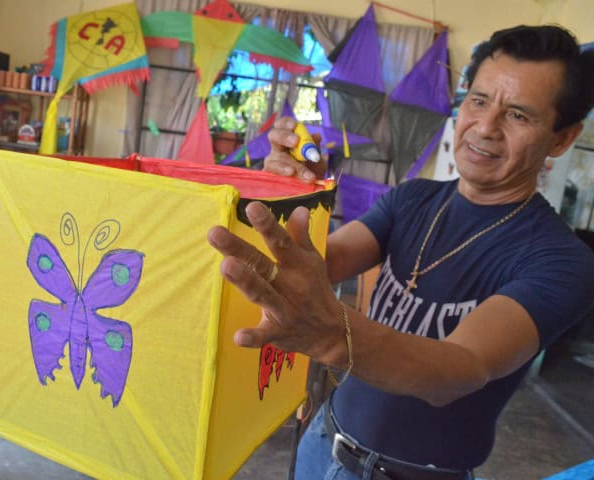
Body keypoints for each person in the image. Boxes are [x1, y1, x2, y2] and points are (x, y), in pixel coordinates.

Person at [207, 25, 594, 480]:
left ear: (562, 139)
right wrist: (298, 194)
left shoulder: (563, 261)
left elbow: (459, 369)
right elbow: (319, 262)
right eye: (479, 100)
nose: (485, 127)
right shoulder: (414, 199)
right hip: (324, 440)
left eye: (518, 116)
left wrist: (333, 334)